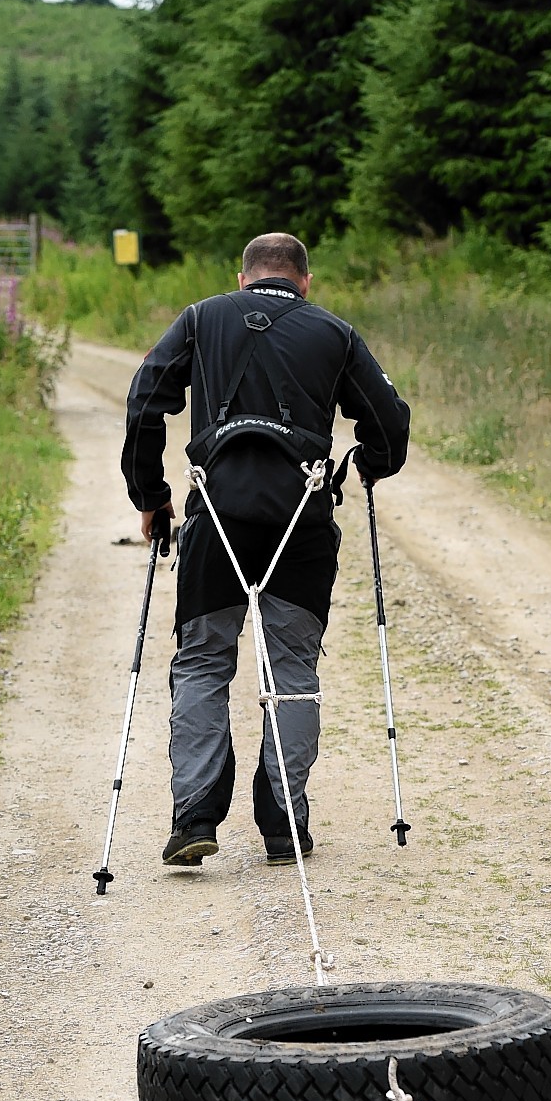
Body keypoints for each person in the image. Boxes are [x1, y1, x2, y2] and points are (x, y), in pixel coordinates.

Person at [122, 231, 410, 867]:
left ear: (244, 276)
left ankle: (193, 815)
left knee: (202, 661)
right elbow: (388, 417)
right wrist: (372, 461)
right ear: (304, 282)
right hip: (300, 520)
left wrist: (151, 494)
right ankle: (284, 823)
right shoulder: (333, 332)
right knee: (291, 667)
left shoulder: (199, 319)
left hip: (215, 513)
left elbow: (145, 400)